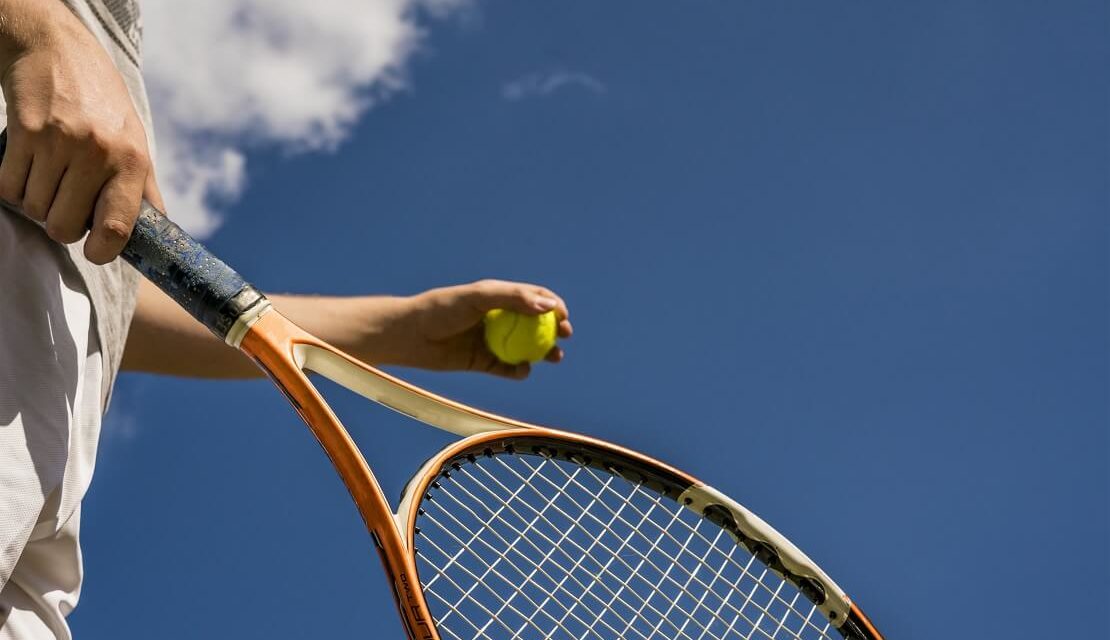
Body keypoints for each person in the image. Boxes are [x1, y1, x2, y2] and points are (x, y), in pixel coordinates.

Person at [0, 2, 572, 638]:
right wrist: (36, 31)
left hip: (34, 552)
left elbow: (100, 313)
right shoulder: (60, 37)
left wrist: (399, 331)